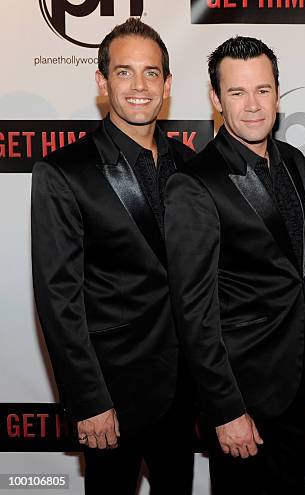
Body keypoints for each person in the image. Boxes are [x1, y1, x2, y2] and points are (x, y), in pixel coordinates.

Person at [31, 18, 195, 495]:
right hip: (111, 397)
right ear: (102, 82)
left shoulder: (192, 166)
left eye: (151, 73)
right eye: (124, 73)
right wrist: (87, 399)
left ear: (168, 84)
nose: (139, 86)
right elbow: (59, 298)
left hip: (185, 392)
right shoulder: (64, 172)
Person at [164, 36, 305, 495]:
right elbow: (194, 312)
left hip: (295, 386)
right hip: (240, 397)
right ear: (215, 99)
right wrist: (225, 410)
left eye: (263, 90)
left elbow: (292, 273)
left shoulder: (293, 161)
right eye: (237, 92)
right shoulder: (194, 183)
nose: (253, 105)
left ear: (277, 92)